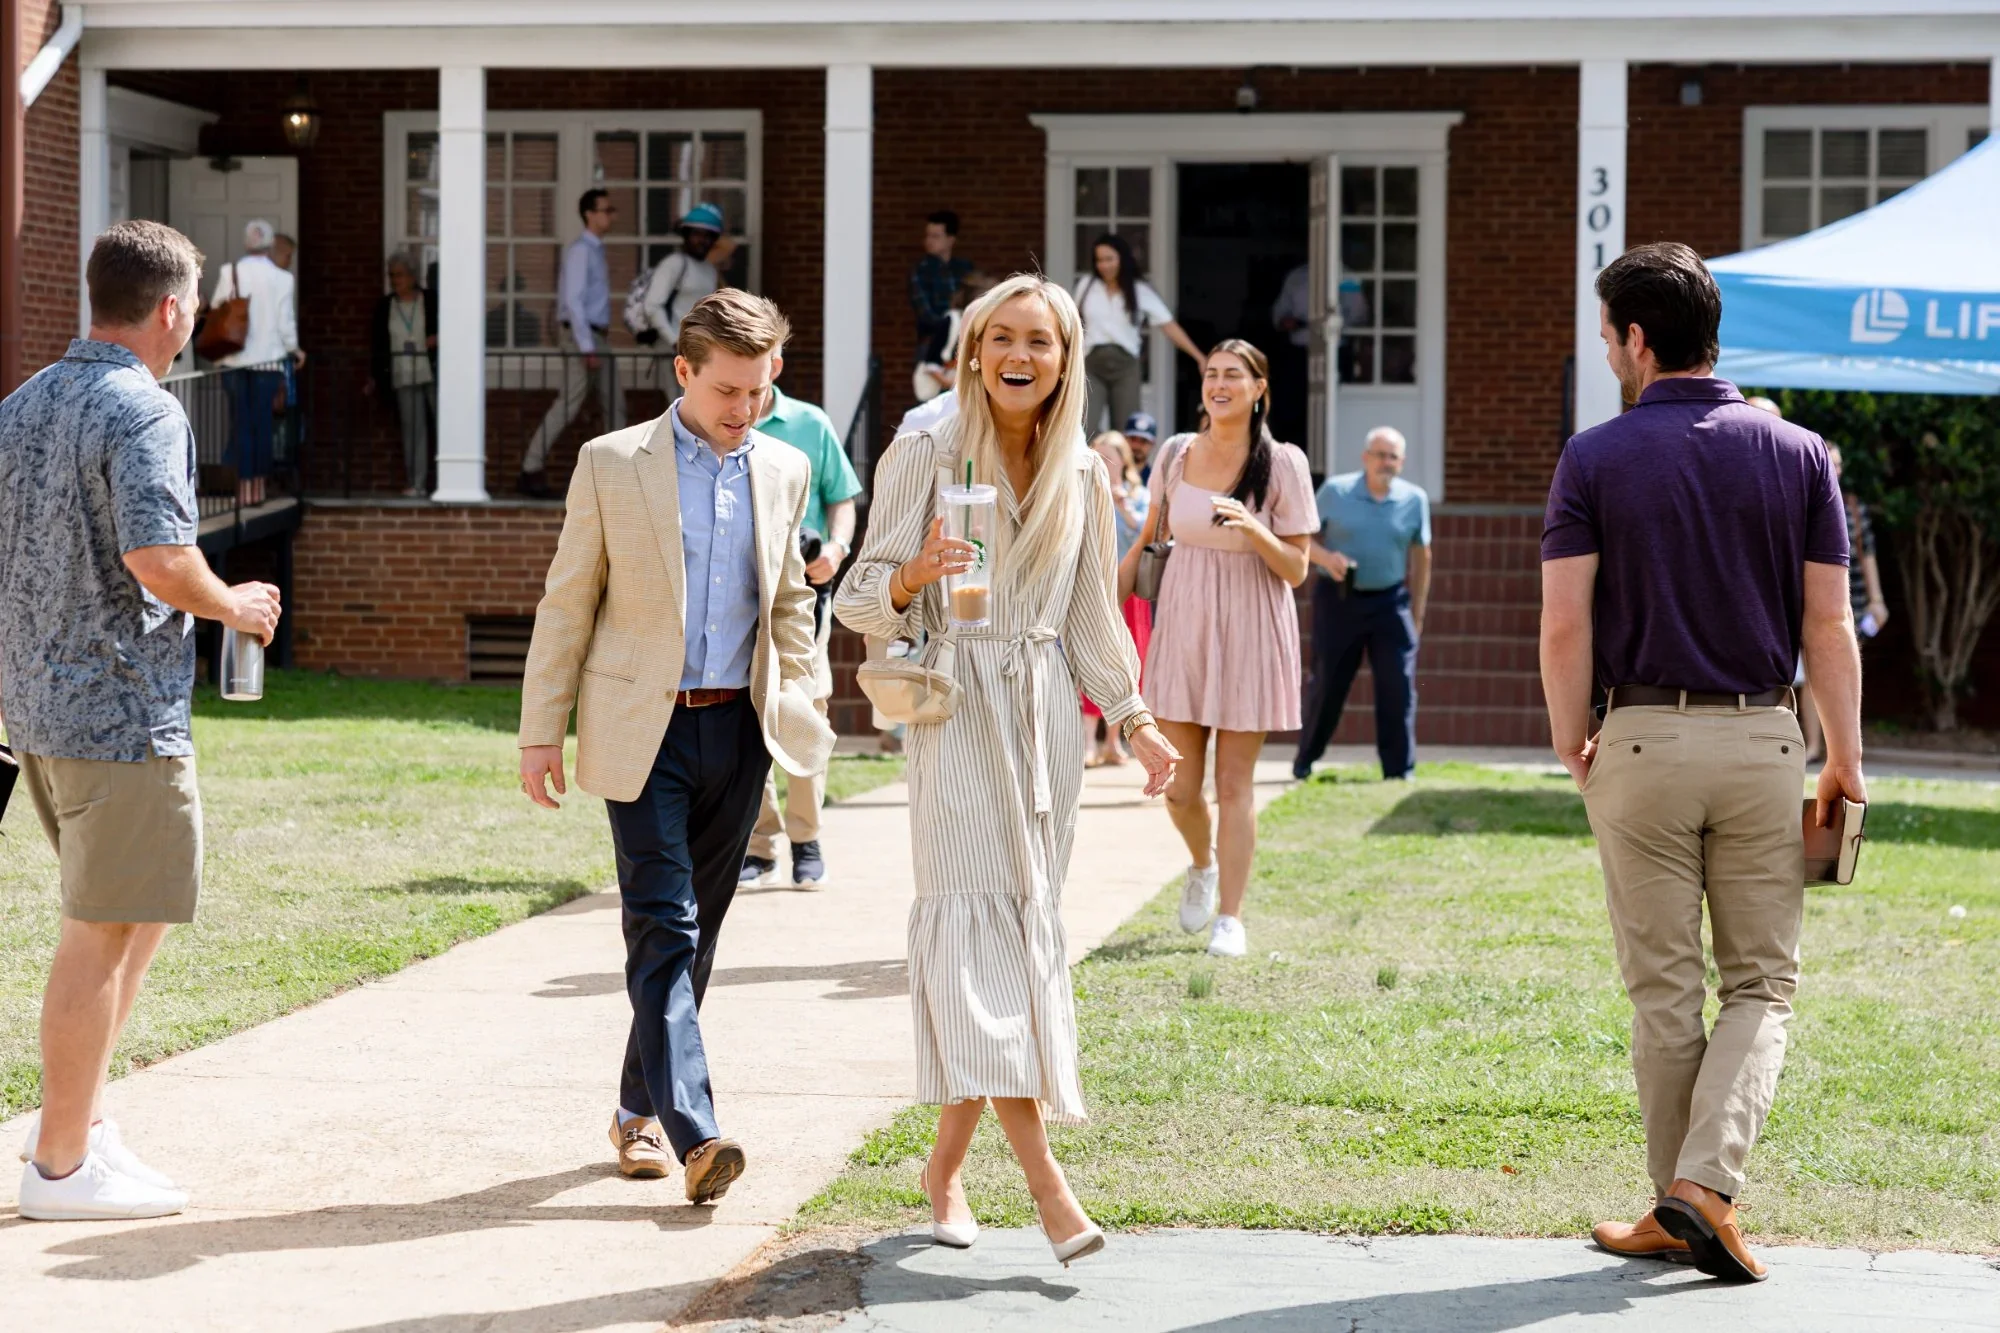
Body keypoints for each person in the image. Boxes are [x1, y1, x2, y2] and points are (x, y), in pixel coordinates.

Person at [835, 274, 1179, 1266]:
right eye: (1001, 338)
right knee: (971, 934)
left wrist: (1137, 721)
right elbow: (859, 597)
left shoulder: (1077, 472)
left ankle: (943, 1168)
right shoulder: (926, 448)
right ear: (974, 349)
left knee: (1019, 941)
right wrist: (912, 574)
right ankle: (1046, 1187)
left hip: (1042, 726)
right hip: (951, 712)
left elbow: (1088, 618)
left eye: (1040, 339)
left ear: (1066, 359)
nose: (1019, 355)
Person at [1541, 242, 1866, 1284]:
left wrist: (1566, 735)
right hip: (1765, 739)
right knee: (1760, 987)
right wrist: (1843, 760)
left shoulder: (1592, 457)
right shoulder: (1801, 454)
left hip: (1634, 736)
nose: (1607, 353)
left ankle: (1679, 1198)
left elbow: (1562, 623)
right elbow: (1829, 625)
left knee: (1663, 994)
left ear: (1637, 340)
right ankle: (1699, 1191)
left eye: (1606, 337)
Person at [517, 289, 835, 1205]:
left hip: (740, 727)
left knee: (696, 937)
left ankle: (633, 1111)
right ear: (684, 373)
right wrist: (544, 726)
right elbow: (568, 601)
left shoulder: (782, 467)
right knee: (666, 922)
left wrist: (805, 697)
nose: (744, 410)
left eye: (760, 391)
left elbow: (786, 603)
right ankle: (699, 1133)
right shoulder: (612, 462)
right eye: (728, 390)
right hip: (639, 727)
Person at [1, 221, 282, 1221]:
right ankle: (61, 1170)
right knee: (102, 933)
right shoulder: (146, 411)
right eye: (194, 304)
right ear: (169, 309)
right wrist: (238, 605)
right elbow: (159, 558)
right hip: (119, 713)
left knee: (134, 917)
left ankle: (77, 1128)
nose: (194, 319)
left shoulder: (24, 403)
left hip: (37, 710)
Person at [1117, 339, 1315, 960]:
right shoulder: (1175, 453)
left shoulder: (1282, 462)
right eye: (1211, 374)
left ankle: (1231, 916)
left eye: (1234, 375)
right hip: (1183, 622)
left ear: (1259, 389)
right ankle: (1200, 864)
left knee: (1235, 785)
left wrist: (1254, 526)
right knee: (1177, 784)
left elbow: (1297, 569)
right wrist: (1099, 606)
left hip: (1253, 626)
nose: (1219, 384)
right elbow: (1150, 538)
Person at [739, 380, 861, 889]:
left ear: (777, 365)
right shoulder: (712, 417)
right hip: (741, 590)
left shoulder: (810, 423)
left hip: (806, 594)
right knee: (745, 713)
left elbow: (843, 499)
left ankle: (806, 839)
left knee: (805, 707)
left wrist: (835, 548)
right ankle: (760, 845)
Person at [1291, 427, 1433, 782]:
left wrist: (1416, 613)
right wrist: (1326, 558)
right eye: (1379, 455)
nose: (1386, 462)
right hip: (1339, 600)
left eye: (1393, 457)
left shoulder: (1414, 499)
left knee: (1397, 686)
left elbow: (1422, 554)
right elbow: (1301, 537)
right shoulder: (1336, 491)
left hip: (1390, 601)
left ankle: (1399, 771)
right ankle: (1305, 760)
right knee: (1328, 684)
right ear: (1365, 458)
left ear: (1401, 462)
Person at [520, 189, 623, 498]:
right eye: (606, 210)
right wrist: (586, 346)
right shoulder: (581, 250)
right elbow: (573, 302)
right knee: (568, 404)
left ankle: (616, 477)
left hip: (597, 336)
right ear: (589, 214)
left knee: (615, 405)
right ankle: (530, 467)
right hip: (584, 337)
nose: (610, 215)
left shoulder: (596, 250)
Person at [209, 218, 303, 508]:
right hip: (267, 363)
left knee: (240, 424)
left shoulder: (231, 272)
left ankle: (242, 488)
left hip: (234, 360)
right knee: (261, 424)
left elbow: (216, 308)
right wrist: (295, 350)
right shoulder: (283, 279)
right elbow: (286, 324)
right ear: (269, 244)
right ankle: (257, 489)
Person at [1073, 233, 1204, 433]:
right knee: (1083, 427)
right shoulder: (1087, 286)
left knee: (1127, 428)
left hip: (1125, 367)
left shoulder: (1139, 289)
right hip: (1091, 364)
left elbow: (1168, 325)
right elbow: (1070, 323)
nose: (1104, 265)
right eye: (1099, 260)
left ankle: (1122, 466)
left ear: (1122, 259)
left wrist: (1199, 357)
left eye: (1109, 259)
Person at [1082, 429, 1152, 767]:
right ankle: (1087, 743)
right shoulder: (1083, 489)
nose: (1107, 464)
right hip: (1093, 586)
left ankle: (1113, 742)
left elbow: (1145, 535)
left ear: (1124, 460)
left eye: (1113, 456)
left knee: (1125, 662)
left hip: (1128, 590)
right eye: (1101, 456)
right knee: (1090, 656)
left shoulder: (1138, 494)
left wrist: (1123, 504)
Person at [366, 250, 438, 496]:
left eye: (399, 275)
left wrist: (437, 338)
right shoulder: (386, 305)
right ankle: (417, 484)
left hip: (432, 371)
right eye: (391, 275)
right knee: (413, 431)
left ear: (412, 276)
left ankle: (446, 482)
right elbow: (377, 343)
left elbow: (450, 327)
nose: (395, 280)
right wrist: (374, 376)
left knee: (446, 425)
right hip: (403, 374)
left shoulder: (430, 299)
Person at [641, 202, 735, 378]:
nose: (703, 240)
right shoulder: (674, 264)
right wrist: (674, 342)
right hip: (672, 350)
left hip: (700, 350)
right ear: (686, 235)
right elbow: (652, 305)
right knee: (680, 402)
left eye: (709, 236)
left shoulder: (709, 270)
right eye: (697, 234)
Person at [909, 210, 973, 371]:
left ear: (950, 240)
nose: (929, 241)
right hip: (931, 347)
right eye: (928, 235)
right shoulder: (921, 271)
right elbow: (925, 314)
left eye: (935, 236)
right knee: (929, 394)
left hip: (962, 348)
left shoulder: (964, 269)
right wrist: (953, 326)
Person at [1269, 262, 1313, 447]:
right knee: (1292, 405)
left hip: (1336, 351)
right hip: (1298, 352)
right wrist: (1286, 322)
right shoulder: (1296, 276)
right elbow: (1279, 315)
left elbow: (1360, 315)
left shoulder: (1347, 277)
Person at [1123, 411, 1159, 481]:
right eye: (1133, 439)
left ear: (1153, 444)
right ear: (1124, 439)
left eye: (1143, 441)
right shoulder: (1113, 474)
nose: (1137, 445)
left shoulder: (1156, 481)